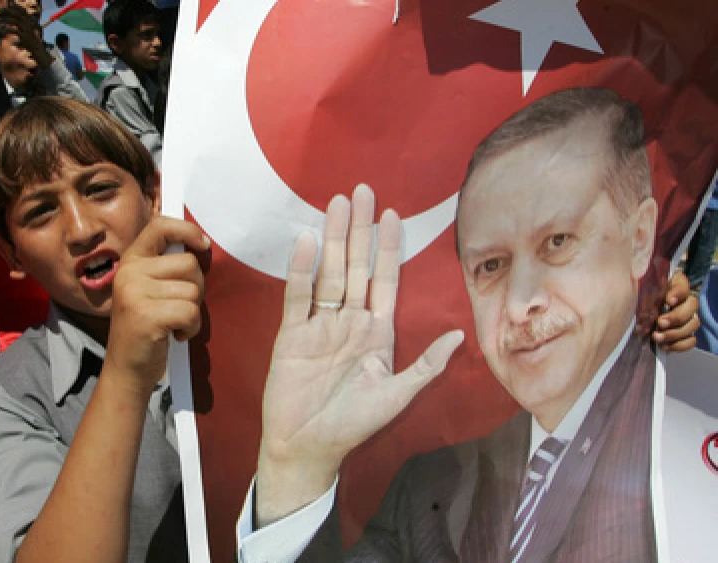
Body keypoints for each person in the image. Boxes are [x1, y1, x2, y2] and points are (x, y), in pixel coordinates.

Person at [237, 87, 701, 562]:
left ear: (639, 238)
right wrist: (296, 473)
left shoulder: (688, 445)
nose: (520, 304)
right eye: (491, 266)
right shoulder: (428, 490)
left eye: (558, 242)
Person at [0, 97, 209, 563]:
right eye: (40, 213)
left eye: (99, 190)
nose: (80, 230)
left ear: (152, 196)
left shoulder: (231, 305)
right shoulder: (3, 395)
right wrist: (126, 373)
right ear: (11, 253)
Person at [96, 0, 164, 164]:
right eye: (146, 35)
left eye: (157, 34)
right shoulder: (119, 92)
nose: (157, 43)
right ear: (116, 43)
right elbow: (152, 151)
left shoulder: (147, 84)